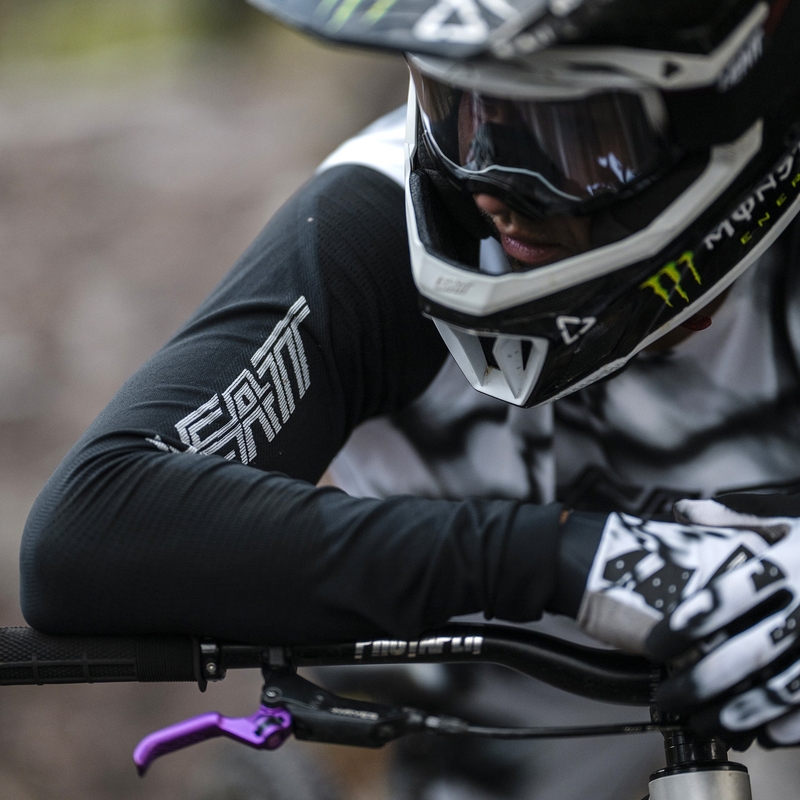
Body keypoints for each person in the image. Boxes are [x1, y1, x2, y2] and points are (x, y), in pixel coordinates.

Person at [18, 0, 800, 796]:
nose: (491, 187)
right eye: (463, 107)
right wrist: (573, 555)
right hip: (444, 752)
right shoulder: (380, 220)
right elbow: (89, 532)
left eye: (570, 135)